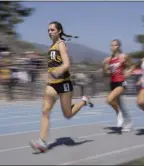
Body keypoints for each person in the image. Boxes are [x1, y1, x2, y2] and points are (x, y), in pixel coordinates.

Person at [30, 21, 93, 153]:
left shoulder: (61, 45)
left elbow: (67, 64)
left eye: (52, 30)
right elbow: (52, 67)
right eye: (48, 30)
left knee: (68, 114)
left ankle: (84, 100)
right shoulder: (51, 46)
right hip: (52, 84)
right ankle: (42, 142)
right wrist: (48, 75)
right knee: (45, 111)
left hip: (64, 83)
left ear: (59, 31)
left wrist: (58, 71)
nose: (49, 32)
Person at [102, 39, 133, 131]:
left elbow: (133, 65)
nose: (112, 47)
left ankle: (118, 114)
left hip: (121, 82)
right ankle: (129, 122)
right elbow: (105, 73)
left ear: (118, 46)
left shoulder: (123, 56)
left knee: (109, 99)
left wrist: (129, 71)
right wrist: (105, 65)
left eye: (114, 45)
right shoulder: (109, 59)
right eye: (111, 45)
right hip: (113, 83)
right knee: (121, 104)